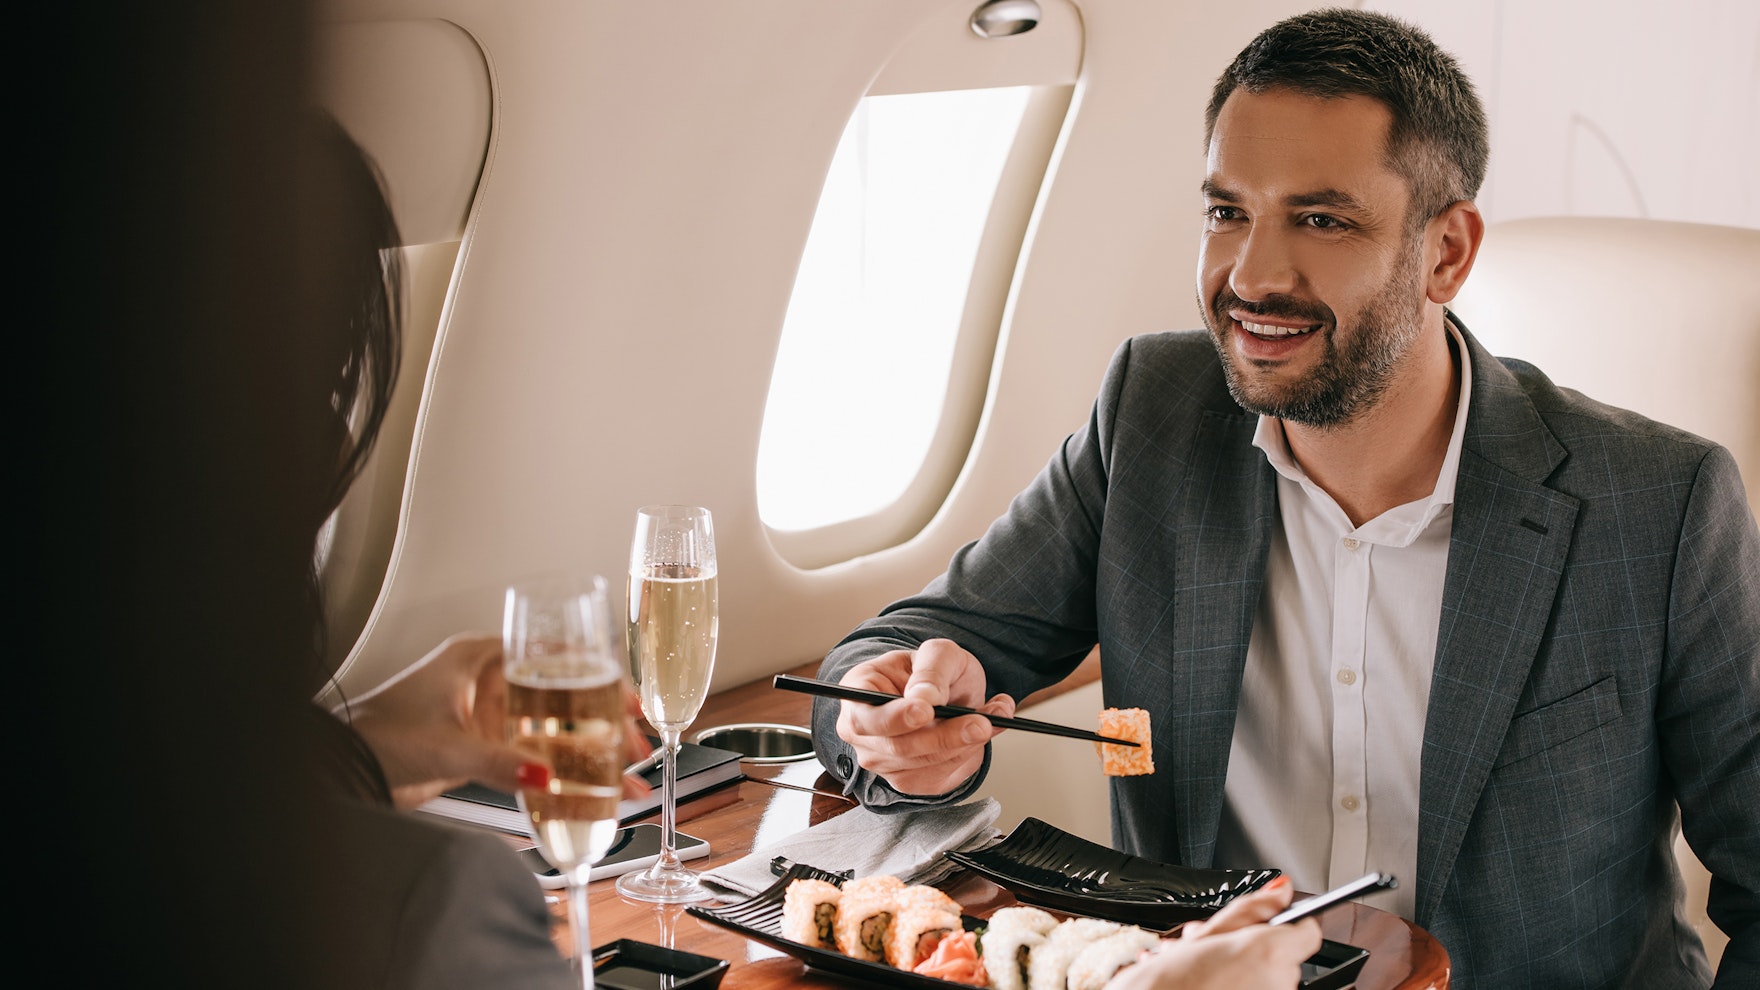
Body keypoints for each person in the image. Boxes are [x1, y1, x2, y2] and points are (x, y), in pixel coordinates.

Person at [811, 9, 1758, 990]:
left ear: (1445, 253)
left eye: (1319, 220)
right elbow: (910, 643)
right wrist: (889, 722)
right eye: (1227, 212)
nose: (1251, 275)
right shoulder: (1153, 415)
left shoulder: (1660, 504)